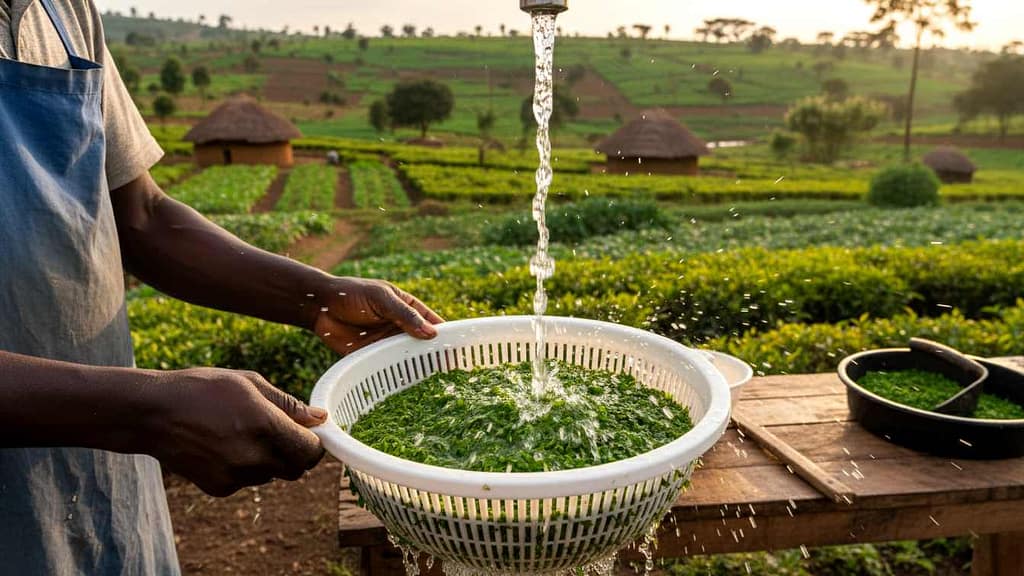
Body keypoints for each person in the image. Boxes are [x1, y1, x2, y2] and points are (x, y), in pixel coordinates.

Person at [0, 0, 444, 573]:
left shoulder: (62, 11)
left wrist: (319, 298)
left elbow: (140, 215)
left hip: (107, 471)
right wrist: (144, 411)